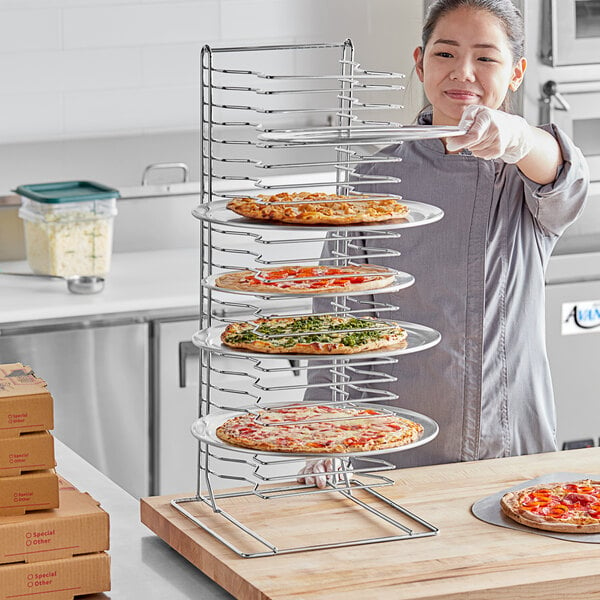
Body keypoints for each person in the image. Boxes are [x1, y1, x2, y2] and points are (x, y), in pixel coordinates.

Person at [298, 0, 589, 489]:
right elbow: (337, 316)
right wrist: (327, 430)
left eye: (486, 58)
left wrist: (516, 138)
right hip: (393, 452)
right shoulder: (375, 177)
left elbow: (563, 173)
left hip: (511, 444)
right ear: (420, 62)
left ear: (517, 72)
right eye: (446, 54)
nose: (464, 73)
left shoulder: (524, 173)